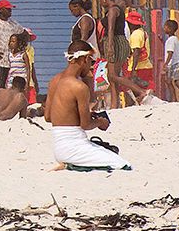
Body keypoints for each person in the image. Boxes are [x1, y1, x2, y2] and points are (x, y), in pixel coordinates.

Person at [44, 41, 131, 171]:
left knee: (109, 153)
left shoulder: (54, 81)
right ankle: (72, 165)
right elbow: (85, 125)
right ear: (85, 59)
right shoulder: (79, 87)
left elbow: (48, 117)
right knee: (123, 164)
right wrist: (100, 122)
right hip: (74, 146)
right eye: (91, 61)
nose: (91, 66)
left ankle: (71, 163)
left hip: (58, 146)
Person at [98, 0, 132, 107]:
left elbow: (111, 29)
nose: (101, 3)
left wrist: (110, 46)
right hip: (118, 41)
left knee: (113, 76)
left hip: (115, 42)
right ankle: (114, 105)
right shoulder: (118, 9)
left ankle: (140, 91)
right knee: (113, 79)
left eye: (101, 0)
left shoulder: (112, 10)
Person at [162, 20, 179, 103]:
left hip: (173, 63)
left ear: (170, 29)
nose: (164, 28)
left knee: (176, 81)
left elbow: (170, 53)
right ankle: (174, 99)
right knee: (168, 81)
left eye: (165, 27)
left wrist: (166, 63)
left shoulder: (171, 40)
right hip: (174, 63)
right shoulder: (174, 39)